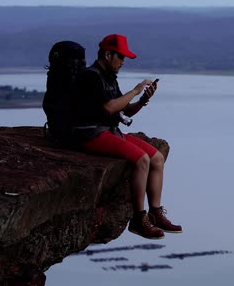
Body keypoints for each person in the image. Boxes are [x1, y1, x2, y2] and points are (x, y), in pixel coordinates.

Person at [72, 34, 181, 240]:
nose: (122, 62)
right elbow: (109, 107)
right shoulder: (91, 76)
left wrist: (141, 101)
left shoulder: (109, 77)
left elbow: (124, 111)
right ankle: (139, 219)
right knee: (142, 159)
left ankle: (155, 213)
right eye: (120, 57)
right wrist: (135, 89)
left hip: (109, 130)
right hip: (91, 133)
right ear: (107, 54)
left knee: (156, 158)